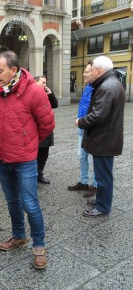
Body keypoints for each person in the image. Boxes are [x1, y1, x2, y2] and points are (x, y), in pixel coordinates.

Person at [0, 51, 55, 269]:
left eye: (0, 70)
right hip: (1, 157)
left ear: (14, 70)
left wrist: (30, 144)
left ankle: (39, 246)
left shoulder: (34, 91)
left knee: (30, 203)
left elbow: (47, 124)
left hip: (25, 159)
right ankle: (19, 236)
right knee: (12, 201)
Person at [76, 56, 125, 217]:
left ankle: (103, 207)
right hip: (108, 138)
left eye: (93, 69)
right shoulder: (114, 83)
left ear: (98, 70)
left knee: (103, 176)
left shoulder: (105, 87)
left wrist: (80, 122)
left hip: (104, 139)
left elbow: (98, 116)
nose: (91, 72)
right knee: (104, 174)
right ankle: (102, 201)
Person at [68, 61, 97, 197]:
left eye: (87, 71)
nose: (84, 74)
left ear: (95, 72)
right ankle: (83, 181)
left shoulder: (99, 88)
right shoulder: (88, 86)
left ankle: (95, 185)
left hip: (91, 128)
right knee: (82, 156)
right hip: (82, 126)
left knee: (95, 157)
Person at [34, 75, 58, 185]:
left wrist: (50, 94)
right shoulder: (33, 94)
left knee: (44, 155)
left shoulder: (47, 93)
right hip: (36, 131)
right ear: (35, 82)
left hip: (47, 130)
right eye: (42, 82)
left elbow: (55, 105)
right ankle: (32, 177)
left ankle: (39, 174)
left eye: (45, 82)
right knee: (35, 156)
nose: (45, 85)